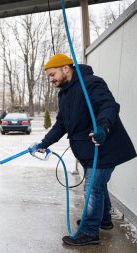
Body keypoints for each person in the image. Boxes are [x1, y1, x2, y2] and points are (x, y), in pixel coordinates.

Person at [36, 53, 136, 246]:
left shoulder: (91, 83)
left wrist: (103, 127)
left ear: (66, 68)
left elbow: (108, 105)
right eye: (48, 76)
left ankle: (90, 233)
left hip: (104, 147)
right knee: (98, 187)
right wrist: (44, 143)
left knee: (92, 190)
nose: (51, 79)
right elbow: (61, 123)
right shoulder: (64, 93)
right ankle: (104, 220)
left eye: (52, 74)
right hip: (86, 151)